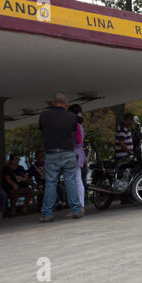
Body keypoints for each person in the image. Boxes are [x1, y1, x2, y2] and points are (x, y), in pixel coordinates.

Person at [38, 92, 83, 223]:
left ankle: (47, 214)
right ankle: (76, 210)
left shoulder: (44, 115)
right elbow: (73, 133)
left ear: (53, 103)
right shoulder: (72, 117)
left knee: (51, 183)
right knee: (71, 181)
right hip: (68, 152)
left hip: (51, 153)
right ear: (66, 104)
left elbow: (42, 129)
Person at [68, 104, 86, 213]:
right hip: (79, 152)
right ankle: (79, 204)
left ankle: (78, 205)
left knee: (75, 180)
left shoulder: (75, 125)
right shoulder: (80, 124)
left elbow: (78, 140)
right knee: (77, 179)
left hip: (74, 152)